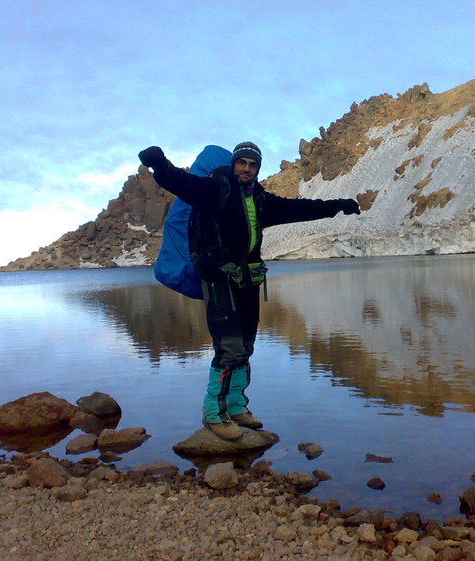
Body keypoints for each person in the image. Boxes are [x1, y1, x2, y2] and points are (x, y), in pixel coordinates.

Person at [138, 142, 361, 440]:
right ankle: (214, 415)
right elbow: (181, 182)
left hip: (247, 282)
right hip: (220, 282)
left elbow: (299, 209)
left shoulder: (260, 199)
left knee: (245, 346)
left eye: (252, 164)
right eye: (241, 162)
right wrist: (158, 164)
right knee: (229, 349)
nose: (246, 168)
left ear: (257, 168)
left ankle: (236, 405)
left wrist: (338, 205)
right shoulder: (215, 191)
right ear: (233, 165)